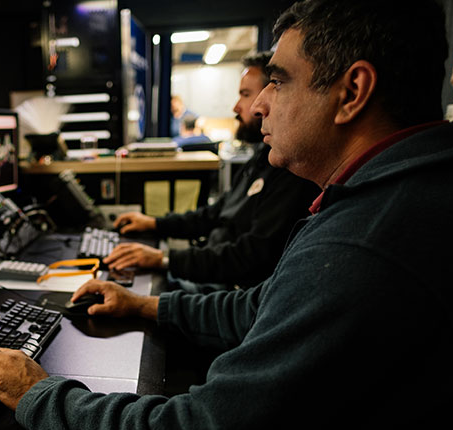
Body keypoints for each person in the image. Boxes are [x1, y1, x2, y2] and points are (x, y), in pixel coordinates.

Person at [0, 0, 453, 430]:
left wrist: (40, 395)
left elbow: (202, 424)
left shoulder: (363, 243)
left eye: (279, 81)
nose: (259, 104)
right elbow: (261, 307)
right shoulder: (395, 194)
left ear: (352, 92)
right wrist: (145, 306)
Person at [106, 52, 319, 291]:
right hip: (210, 273)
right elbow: (214, 214)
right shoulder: (261, 158)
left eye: (245, 94)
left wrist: (163, 259)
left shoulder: (291, 174)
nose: (236, 107)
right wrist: (154, 224)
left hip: (226, 290)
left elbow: (250, 257)